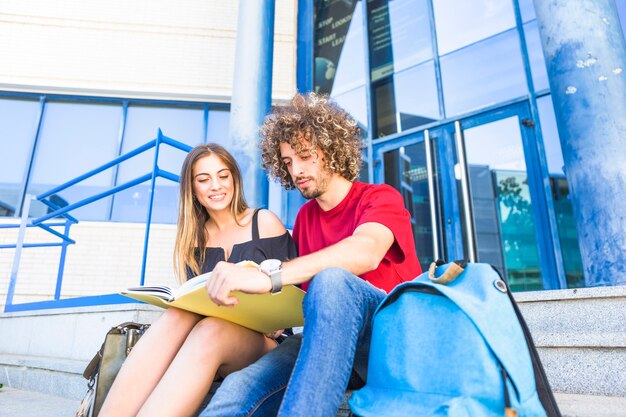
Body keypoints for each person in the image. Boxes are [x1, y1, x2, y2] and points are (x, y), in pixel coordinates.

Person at [199, 92, 422, 417]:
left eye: (305, 156)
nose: (296, 170)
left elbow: (366, 252)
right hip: (328, 345)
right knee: (240, 388)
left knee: (332, 281)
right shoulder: (305, 220)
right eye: (288, 162)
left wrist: (268, 276)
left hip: (389, 338)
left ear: (331, 150)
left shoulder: (380, 198)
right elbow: (300, 299)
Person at [99, 144, 297, 417]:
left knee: (210, 330)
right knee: (178, 315)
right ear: (192, 189)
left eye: (223, 176)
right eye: (204, 180)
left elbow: (293, 288)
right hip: (213, 335)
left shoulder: (263, 222)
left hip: (267, 342)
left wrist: (273, 319)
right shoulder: (193, 239)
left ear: (234, 179)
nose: (216, 186)